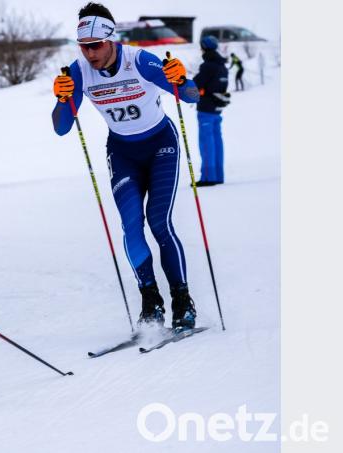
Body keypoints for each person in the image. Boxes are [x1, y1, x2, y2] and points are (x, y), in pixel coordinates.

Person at [51, 3, 202, 331]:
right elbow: (62, 128)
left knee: (158, 222)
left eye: (95, 46)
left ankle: (182, 298)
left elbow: (190, 96)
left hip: (161, 145)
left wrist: (182, 79)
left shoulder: (140, 61)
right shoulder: (78, 71)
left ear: (110, 39)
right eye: (83, 47)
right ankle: (151, 300)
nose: (90, 54)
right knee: (131, 226)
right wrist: (63, 100)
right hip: (122, 152)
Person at [194, 35, 231, 187]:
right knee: (216, 140)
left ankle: (208, 177)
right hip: (217, 107)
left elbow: (196, 84)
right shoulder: (222, 66)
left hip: (206, 108)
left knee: (206, 143)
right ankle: (218, 175)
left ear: (204, 47)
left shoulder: (207, 66)